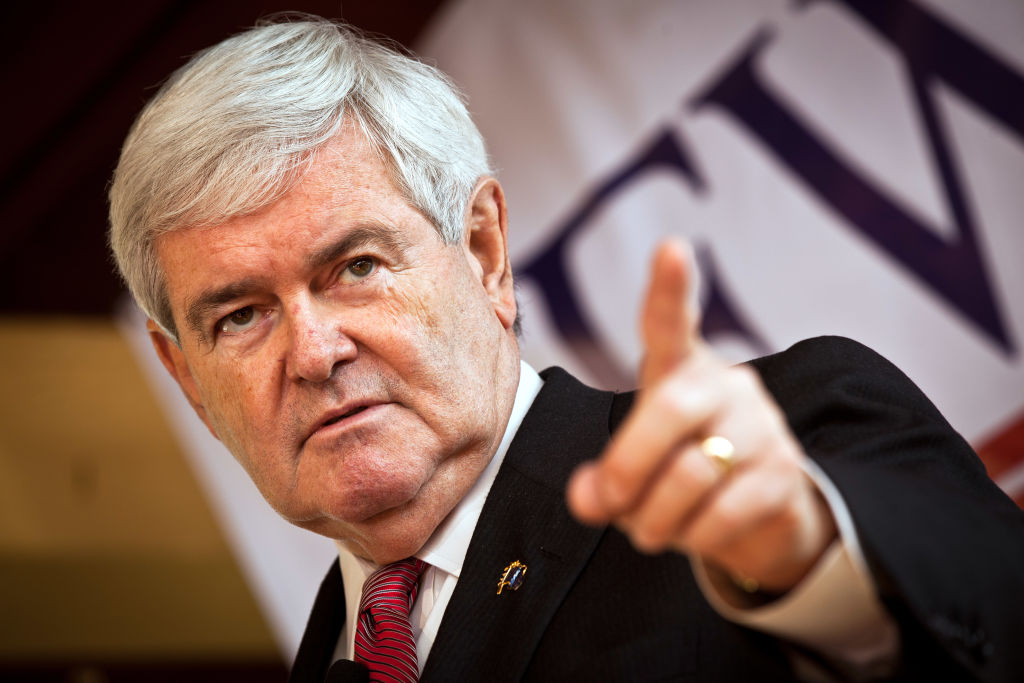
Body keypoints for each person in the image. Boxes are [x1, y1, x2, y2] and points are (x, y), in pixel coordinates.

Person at [108, 17, 1024, 683]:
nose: (313, 351)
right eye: (240, 316)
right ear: (187, 378)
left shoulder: (797, 435)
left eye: (355, 266)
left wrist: (810, 568)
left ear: (484, 252)